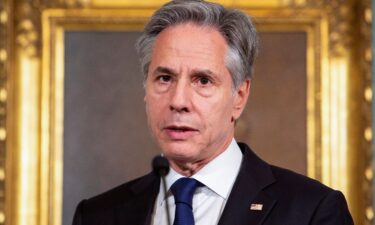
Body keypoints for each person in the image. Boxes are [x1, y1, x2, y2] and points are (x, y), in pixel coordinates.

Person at [72, 0, 354, 224]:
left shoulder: (311, 211)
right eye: (164, 78)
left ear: (239, 97)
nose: (178, 100)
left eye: (203, 80)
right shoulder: (98, 215)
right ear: (146, 89)